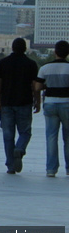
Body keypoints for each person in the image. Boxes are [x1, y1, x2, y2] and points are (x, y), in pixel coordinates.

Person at [0, 38, 39, 174]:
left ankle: (11, 165)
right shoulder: (31, 64)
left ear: (12, 48)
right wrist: (37, 101)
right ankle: (19, 149)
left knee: (8, 135)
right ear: (25, 49)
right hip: (24, 102)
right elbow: (35, 86)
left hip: (7, 102)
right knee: (25, 132)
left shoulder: (3, 63)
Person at [34, 40, 69, 178]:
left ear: (55, 52)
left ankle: (51, 169)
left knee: (51, 137)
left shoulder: (45, 68)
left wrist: (46, 87)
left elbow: (37, 87)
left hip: (50, 104)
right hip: (67, 104)